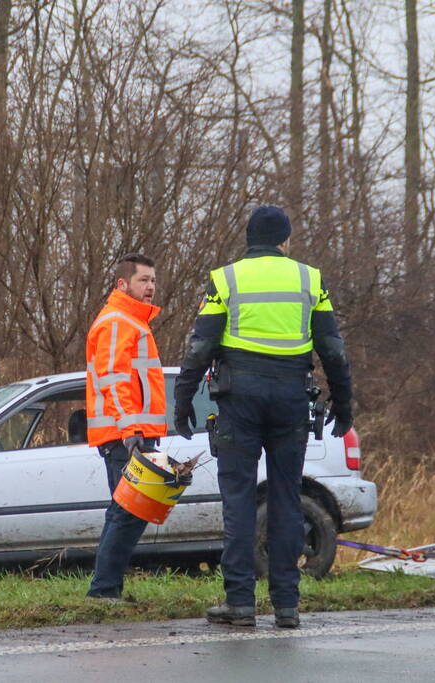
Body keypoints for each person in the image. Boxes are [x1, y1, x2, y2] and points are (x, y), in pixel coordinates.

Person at [172, 206, 353, 628]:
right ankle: (287, 604)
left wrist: (183, 401)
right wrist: (344, 403)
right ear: (285, 241)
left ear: (248, 239)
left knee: (238, 500)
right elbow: (333, 349)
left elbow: (200, 346)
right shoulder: (310, 279)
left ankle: (240, 603)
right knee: (287, 498)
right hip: (292, 396)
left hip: (241, 398)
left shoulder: (226, 278)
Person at [85, 253, 167, 599]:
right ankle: (104, 591)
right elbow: (113, 379)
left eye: (152, 280)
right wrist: (130, 430)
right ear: (123, 284)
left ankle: (107, 589)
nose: (150, 287)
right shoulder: (119, 321)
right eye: (142, 280)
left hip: (130, 434)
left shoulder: (131, 321)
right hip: (125, 436)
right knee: (126, 512)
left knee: (128, 512)